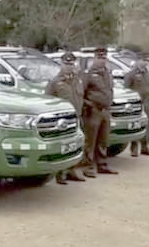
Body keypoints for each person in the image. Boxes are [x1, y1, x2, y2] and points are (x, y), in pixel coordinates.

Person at [44, 52, 86, 184]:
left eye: (71, 64)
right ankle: (60, 173)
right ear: (61, 64)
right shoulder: (55, 82)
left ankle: (72, 170)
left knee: (75, 145)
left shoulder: (77, 80)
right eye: (66, 64)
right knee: (62, 146)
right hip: (62, 121)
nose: (69, 67)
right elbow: (47, 100)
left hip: (77, 117)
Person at [81, 47, 117, 177]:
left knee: (103, 139)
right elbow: (82, 93)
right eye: (99, 57)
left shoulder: (107, 73)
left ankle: (102, 164)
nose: (102, 60)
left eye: (104, 58)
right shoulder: (88, 73)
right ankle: (88, 167)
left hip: (105, 111)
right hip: (94, 110)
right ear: (94, 58)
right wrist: (88, 106)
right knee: (90, 141)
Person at [124, 52, 149, 157]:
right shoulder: (132, 73)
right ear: (138, 60)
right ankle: (134, 148)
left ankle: (144, 147)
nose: (145, 63)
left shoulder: (146, 72)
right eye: (144, 60)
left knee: (145, 125)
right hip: (137, 103)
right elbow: (127, 88)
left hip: (147, 101)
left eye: (146, 61)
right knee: (136, 126)